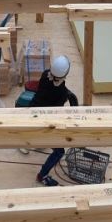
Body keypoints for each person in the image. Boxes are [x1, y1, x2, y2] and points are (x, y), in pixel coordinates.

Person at [32, 55, 78, 186]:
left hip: (34, 110)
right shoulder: (61, 93)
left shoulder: (45, 74)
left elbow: (51, 89)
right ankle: (42, 175)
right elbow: (56, 112)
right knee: (59, 151)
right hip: (44, 122)